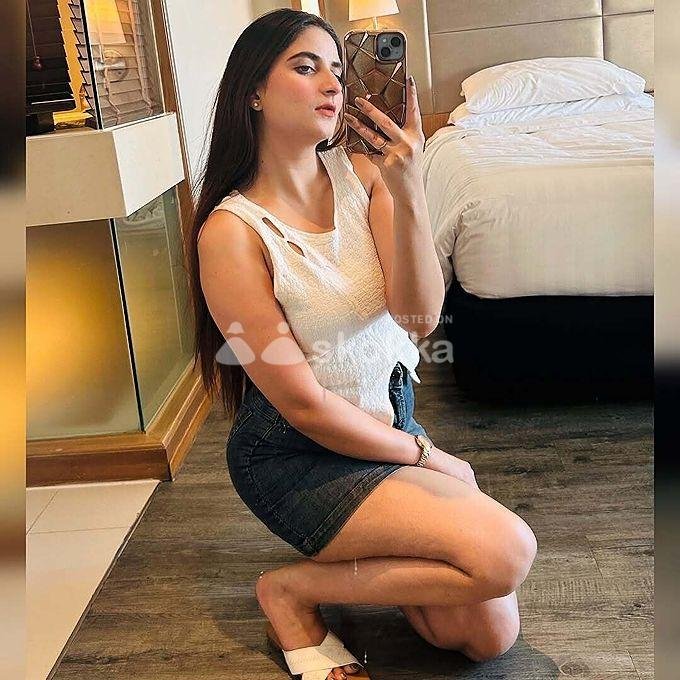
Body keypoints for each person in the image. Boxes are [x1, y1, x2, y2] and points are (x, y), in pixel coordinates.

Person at [188, 9, 537, 680]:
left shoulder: (363, 177)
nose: (332, 85)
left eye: (338, 71)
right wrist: (429, 456)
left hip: (385, 424)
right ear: (252, 91)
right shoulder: (232, 233)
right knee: (505, 553)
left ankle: (349, 559)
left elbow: (420, 318)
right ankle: (290, 591)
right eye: (305, 67)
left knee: (483, 633)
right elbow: (305, 407)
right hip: (298, 456)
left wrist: (410, 186)